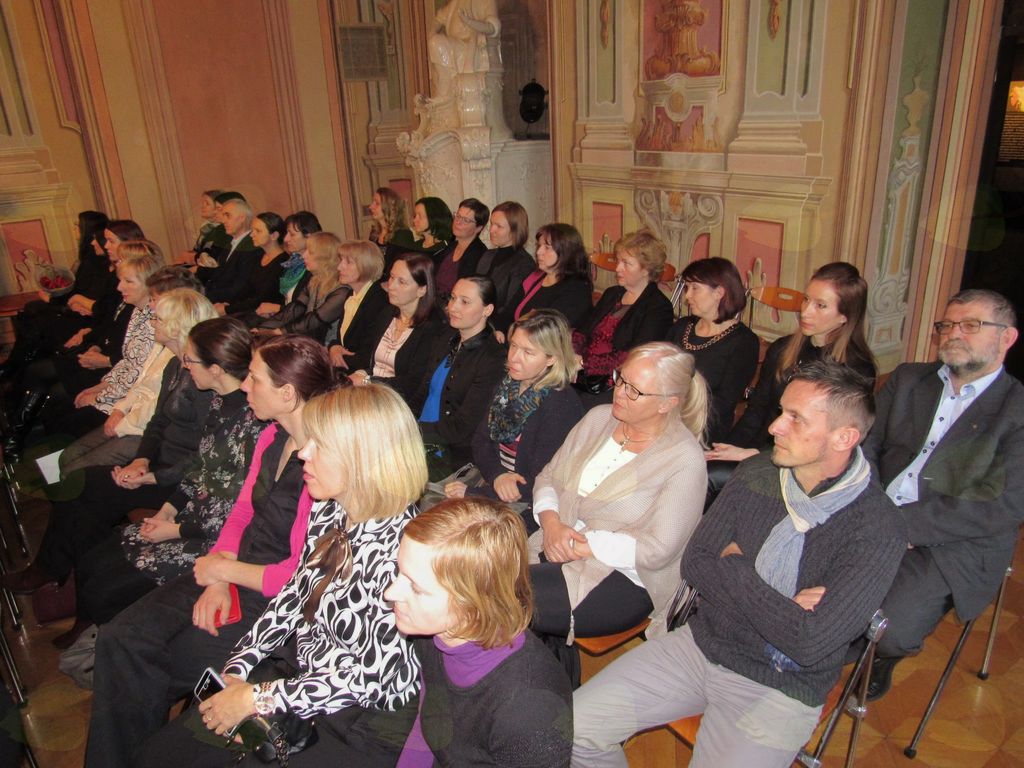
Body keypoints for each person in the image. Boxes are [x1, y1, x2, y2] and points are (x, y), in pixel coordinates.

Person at [571, 360, 907, 768]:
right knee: (573, 729)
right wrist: (782, 605)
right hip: (702, 644)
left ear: (844, 437)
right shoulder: (758, 472)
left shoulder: (877, 527)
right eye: (781, 411)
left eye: (796, 418)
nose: (775, 427)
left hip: (780, 684)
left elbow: (808, 644)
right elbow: (696, 563)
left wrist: (735, 567)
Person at [136, 384, 429, 767]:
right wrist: (239, 667)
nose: (303, 452)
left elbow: (373, 676)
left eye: (319, 445)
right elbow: (294, 595)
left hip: (359, 719)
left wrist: (257, 698)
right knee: (160, 754)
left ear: (362, 456)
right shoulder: (331, 510)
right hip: (302, 678)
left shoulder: (405, 552)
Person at [85, 335, 336, 768]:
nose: (245, 387)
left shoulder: (323, 463)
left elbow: (295, 576)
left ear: (287, 394)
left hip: (272, 601)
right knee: (119, 638)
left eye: (254, 379)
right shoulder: (272, 435)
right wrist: (218, 576)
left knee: (147, 665)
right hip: (232, 571)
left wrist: (224, 573)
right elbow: (240, 513)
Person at [1, 318, 255, 603]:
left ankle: (75, 574)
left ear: (216, 368)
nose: (185, 364)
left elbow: (204, 466)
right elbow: (159, 422)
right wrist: (141, 461)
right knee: (81, 482)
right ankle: (59, 569)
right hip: (168, 469)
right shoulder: (208, 388)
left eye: (191, 359)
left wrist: (156, 479)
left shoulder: (234, 405)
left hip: (181, 481)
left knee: (89, 485)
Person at [862, 289, 1024, 701]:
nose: (953, 333)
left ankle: (882, 656)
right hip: (874, 510)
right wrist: (871, 504)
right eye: (947, 325)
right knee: (799, 575)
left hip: (948, 541)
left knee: (891, 628)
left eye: (971, 325)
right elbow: (865, 444)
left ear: (1007, 338)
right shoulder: (908, 379)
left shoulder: (1017, 410)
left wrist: (899, 526)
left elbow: (1002, 506)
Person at [529, 343, 708, 672]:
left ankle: (538, 687)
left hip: (625, 576)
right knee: (479, 571)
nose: (619, 392)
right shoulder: (598, 419)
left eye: (634, 390)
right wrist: (552, 525)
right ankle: (544, 676)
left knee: (503, 596)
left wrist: (582, 546)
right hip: (559, 536)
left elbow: (658, 550)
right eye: (621, 379)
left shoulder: (684, 460)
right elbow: (548, 476)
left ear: (667, 403)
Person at [386, 497, 573, 767]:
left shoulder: (530, 709)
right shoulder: (435, 634)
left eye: (416, 587)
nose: (390, 593)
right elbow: (430, 723)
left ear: (473, 601)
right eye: (399, 572)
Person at [59, 283, 215, 478]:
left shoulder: (199, 376)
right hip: (139, 425)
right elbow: (144, 392)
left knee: (75, 473)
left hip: (148, 437)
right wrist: (120, 410)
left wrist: (140, 453)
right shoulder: (173, 362)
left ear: (176, 328)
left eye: (158, 318)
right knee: (68, 457)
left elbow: (183, 434)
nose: (151, 323)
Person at [445, 309, 583, 519]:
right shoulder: (508, 385)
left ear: (551, 359)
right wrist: (498, 475)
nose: (514, 358)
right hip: (495, 485)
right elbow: (481, 440)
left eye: (528, 352)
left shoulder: (560, 405)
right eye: (514, 346)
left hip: (530, 506)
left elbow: (542, 481)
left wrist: (475, 494)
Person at [1, 210, 111, 378]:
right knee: (32, 311)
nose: (74, 229)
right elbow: (80, 294)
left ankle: (19, 365)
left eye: (77, 226)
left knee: (38, 317)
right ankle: (21, 363)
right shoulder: (90, 258)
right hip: (81, 311)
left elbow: (91, 302)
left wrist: (54, 301)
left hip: (86, 318)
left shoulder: (98, 263)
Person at [412, 276, 506, 472]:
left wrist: (408, 431)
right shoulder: (446, 337)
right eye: (453, 298)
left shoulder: (493, 359)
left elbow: (462, 427)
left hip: (449, 452)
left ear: (487, 310)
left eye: (465, 302)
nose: (453, 307)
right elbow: (422, 393)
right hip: (419, 435)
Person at [666, 257, 759, 444]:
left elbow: (723, 403)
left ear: (719, 292)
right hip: (664, 413)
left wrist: (672, 415)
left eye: (695, 288)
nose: (687, 296)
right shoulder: (682, 326)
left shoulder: (743, 342)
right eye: (686, 288)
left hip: (702, 427)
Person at [573, 231, 674, 402]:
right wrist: (572, 356)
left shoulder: (658, 308)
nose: (618, 268)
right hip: (582, 373)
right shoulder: (612, 293)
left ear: (646, 269)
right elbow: (583, 331)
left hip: (616, 383)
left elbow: (633, 356)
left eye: (626, 263)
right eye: (618, 261)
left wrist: (584, 363)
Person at [348, 253, 443, 402]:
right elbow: (368, 357)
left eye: (402, 282)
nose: (391, 286)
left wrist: (367, 381)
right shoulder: (387, 314)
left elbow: (413, 383)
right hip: (372, 393)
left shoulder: (432, 329)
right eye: (392, 277)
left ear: (421, 290)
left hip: (398, 402)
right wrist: (360, 373)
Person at [494, 223, 593, 339]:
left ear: (566, 251)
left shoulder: (577, 290)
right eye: (539, 246)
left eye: (547, 247)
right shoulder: (535, 277)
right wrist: (499, 330)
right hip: (519, 341)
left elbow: (548, 331)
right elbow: (508, 313)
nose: (538, 252)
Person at [254, 232, 348, 344]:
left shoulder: (341, 290)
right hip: (308, 341)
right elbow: (294, 309)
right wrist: (262, 328)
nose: (304, 255)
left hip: (327, 347)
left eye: (310, 252)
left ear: (325, 258)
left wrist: (276, 332)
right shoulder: (314, 281)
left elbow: (312, 321)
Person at [327, 240, 389, 371]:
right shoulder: (351, 295)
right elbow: (342, 339)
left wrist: (334, 359)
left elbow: (369, 355)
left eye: (348, 262)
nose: (339, 267)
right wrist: (334, 346)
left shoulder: (380, 301)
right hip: (348, 368)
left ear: (366, 266)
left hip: (362, 373)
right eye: (341, 260)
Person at [253, 210, 323, 319]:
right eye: (286, 233)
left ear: (308, 236)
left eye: (292, 234)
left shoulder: (316, 268)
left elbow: (309, 311)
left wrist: (278, 308)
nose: (286, 239)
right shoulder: (292, 262)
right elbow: (286, 300)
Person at [475, 200, 534, 325]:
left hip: (498, 326)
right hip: (477, 318)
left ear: (515, 230)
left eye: (499, 226)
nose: (491, 230)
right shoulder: (487, 255)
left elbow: (510, 310)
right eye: (491, 224)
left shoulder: (524, 264)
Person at [220, 211, 288, 317]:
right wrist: (228, 303)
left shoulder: (283, 262)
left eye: (258, 231)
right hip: (249, 309)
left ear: (274, 235)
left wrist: (228, 309)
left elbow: (262, 298)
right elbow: (246, 288)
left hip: (266, 314)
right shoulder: (258, 256)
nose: (252, 234)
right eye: (252, 230)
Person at [432, 197, 489, 304]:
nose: (458, 222)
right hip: (434, 301)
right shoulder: (450, 246)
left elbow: (469, 296)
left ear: (479, 228)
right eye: (458, 216)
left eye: (466, 220)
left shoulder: (480, 255)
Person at [367, 186, 416, 275]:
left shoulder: (403, 234)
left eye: (377, 203)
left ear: (388, 207)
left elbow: (401, 269)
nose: (371, 207)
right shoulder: (374, 233)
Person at [410, 196, 453, 261]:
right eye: (415, 216)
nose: (414, 220)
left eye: (420, 216)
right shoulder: (414, 246)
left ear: (434, 217)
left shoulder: (446, 249)